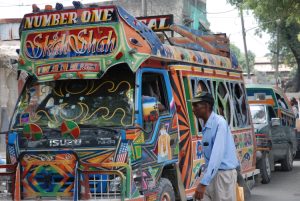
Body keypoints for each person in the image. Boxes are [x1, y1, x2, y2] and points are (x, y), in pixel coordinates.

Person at [191, 92, 239, 201]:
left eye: (196, 105)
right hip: (211, 174)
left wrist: (203, 183)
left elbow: (216, 156)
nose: (193, 109)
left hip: (223, 176)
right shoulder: (206, 125)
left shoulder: (219, 123)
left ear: (207, 106)